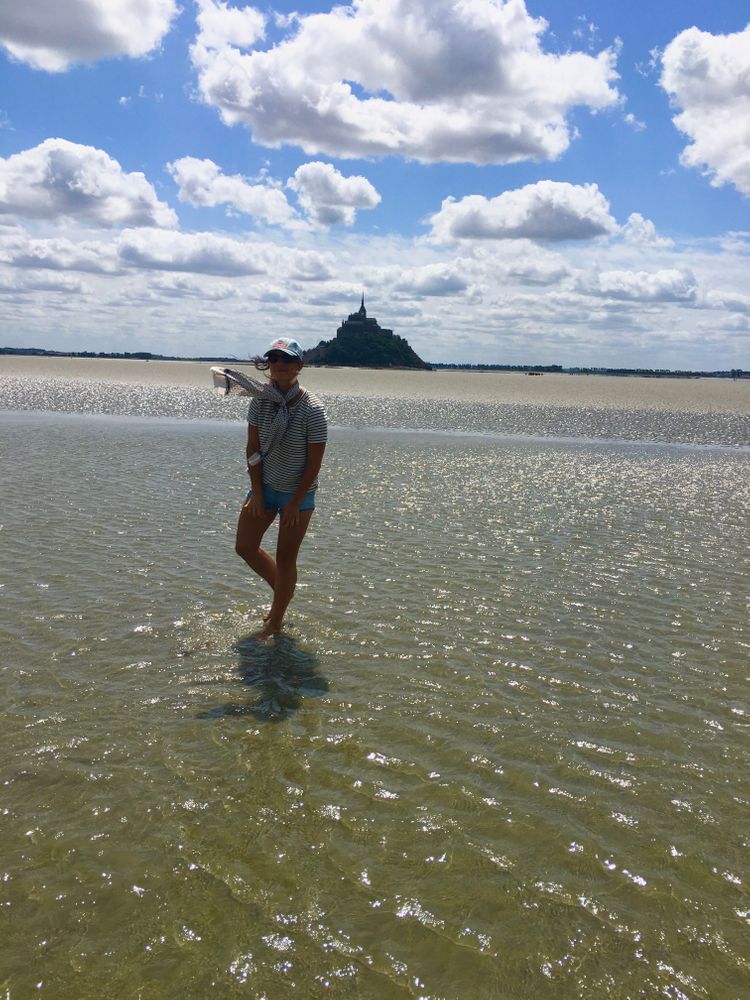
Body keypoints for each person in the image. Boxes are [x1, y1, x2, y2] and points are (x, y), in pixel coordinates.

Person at [235, 338, 327, 639]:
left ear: (299, 366)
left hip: (296, 495)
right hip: (265, 486)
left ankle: (275, 620)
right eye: (274, 359)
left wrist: (294, 502)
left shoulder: (313, 409)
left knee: (286, 559)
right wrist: (257, 492)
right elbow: (252, 448)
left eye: (287, 360)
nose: (279, 365)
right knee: (245, 547)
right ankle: (283, 592)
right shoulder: (260, 401)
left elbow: (314, 464)